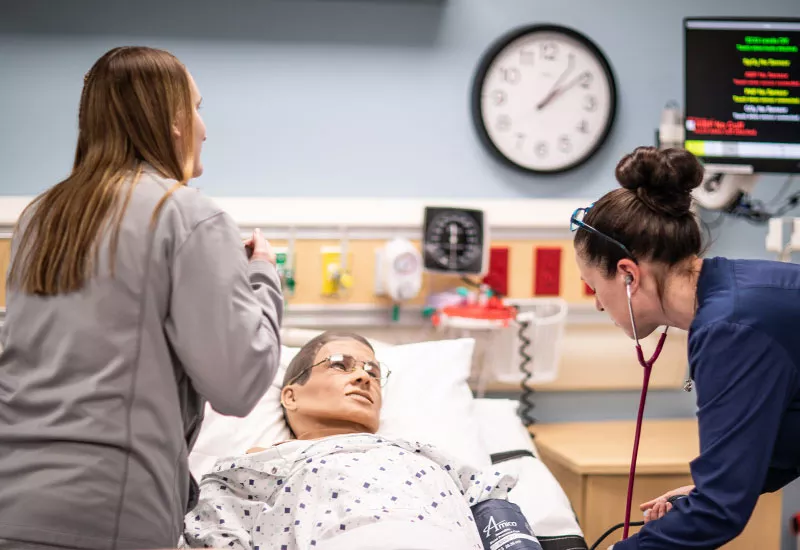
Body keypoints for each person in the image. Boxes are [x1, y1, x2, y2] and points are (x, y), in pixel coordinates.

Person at [0, 46, 284, 550]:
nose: (204, 128)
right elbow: (238, 384)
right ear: (172, 119)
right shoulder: (187, 216)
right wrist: (261, 275)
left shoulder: (41, 219)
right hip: (109, 510)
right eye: (196, 108)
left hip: (13, 500)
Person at [571, 146, 800, 549]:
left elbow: (718, 514)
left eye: (594, 287)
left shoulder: (730, 329)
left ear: (628, 275)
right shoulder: (735, 289)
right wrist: (707, 489)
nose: (596, 303)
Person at [181, 331, 525, 550]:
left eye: (373, 372)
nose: (363, 376)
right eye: (339, 365)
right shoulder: (261, 465)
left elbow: (494, 509)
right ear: (291, 395)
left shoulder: (426, 455)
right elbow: (213, 532)